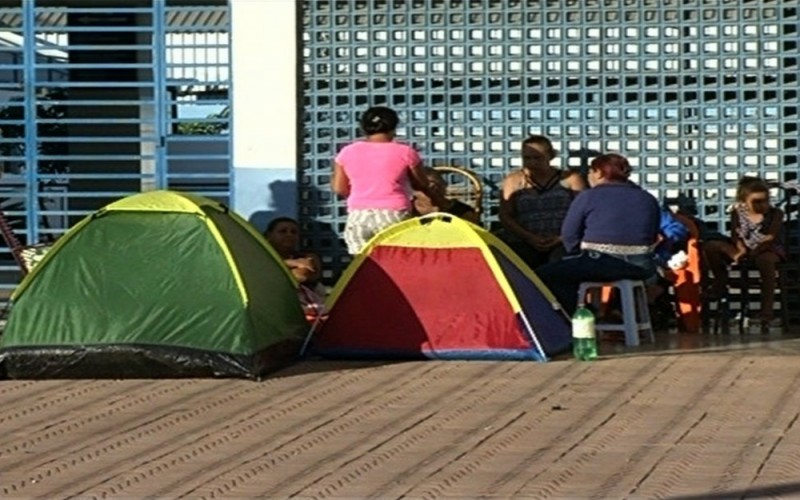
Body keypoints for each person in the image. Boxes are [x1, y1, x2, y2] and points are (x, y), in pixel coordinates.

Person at [536, 153, 661, 315]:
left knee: (544, 275)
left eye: (590, 171)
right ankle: (620, 314)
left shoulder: (588, 197)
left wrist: (576, 254)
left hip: (598, 263)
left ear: (600, 173)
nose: (588, 176)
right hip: (641, 266)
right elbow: (652, 235)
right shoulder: (648, 198)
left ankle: (578, 317)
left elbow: (569, 234)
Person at [332, 106, 442, 255]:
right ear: (393, 127)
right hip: (394, 213)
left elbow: (339, 188)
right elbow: (420, 183)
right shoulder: (406, 152)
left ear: (364, 127)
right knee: (395, 261)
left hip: (358, 215)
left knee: (361, 264)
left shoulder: (347, 152)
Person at [703, 176, 785, 327]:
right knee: (711, 246)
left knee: (765, 262)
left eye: (765, 201)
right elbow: (736, 234)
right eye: (756, 202)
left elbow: (771, 236)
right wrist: (740, 249)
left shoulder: (776, 214)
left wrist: (757, 250)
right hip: (744, 246)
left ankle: (766, 310)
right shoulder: (737, 212)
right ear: (744, 201)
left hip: (767, 247)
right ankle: (720, 279)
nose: (762, 205)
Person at [499, 135, 586, 269]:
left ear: (550, 156)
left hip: (562, 241)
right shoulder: (513, 181)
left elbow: (584, 212)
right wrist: (529, 237)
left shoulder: (571, 179)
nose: (533, 163)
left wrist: (561, 237)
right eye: (527, 158)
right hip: (525, 241)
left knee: (560, 265)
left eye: (538, 158)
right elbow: (506, 215)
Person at [412, 167, 481, 224]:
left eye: (438, 186)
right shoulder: (408, 211)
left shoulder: (461, 210)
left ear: (445, 187)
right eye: (426, 187)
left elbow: (472, 229)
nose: (433, 191)